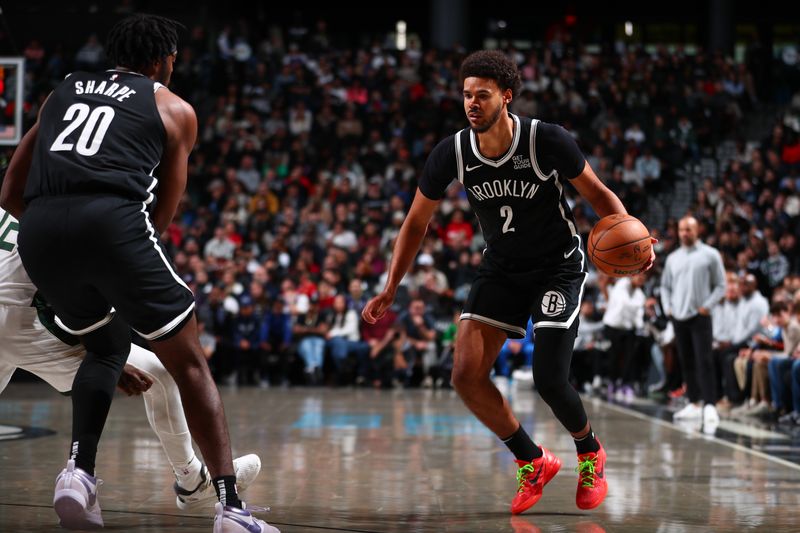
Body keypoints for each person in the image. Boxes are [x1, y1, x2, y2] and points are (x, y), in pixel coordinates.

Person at [0, 14, 276, 533]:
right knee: (189, 362)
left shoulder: (61, 92)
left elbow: (11, 189)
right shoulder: (175, 108)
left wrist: (52, 229)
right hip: (111, 226)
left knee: (107, 347)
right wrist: (113, 254)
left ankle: (79, 473)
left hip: (39, 233)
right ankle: (231, 510)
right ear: (161, 60)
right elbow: (162, 216)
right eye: (173, 60)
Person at [363, 50, 655, 514]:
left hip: (557, 266)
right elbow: (415, 223)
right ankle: (531, 459)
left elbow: (599, 195)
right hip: (502, 268)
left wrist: (634, 242)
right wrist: (391, 283)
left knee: (549, 379)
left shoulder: (546, 140)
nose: (471, 103)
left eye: (482, 95)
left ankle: (588, 451)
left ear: (507, 97)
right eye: (466, 95)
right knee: (464, 374)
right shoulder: (453, 153)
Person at [0, 208, 260, 513]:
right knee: (161, 375)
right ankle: (190, 479)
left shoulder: (16, 200)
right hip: (25, 325)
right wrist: (108, 357)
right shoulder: (67, 212)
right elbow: (66, 300)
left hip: (18, 319)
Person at [660, 216, 725, 428]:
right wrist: (668, 306)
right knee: (686, 360)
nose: (684, 233)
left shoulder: (710, 255)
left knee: (704, 360)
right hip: (678, 316)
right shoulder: (673, 258)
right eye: (681, 230)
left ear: (698, 230)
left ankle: (709, 404)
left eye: (688, 229)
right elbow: (665, 287)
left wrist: (707, 306)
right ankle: (694, 402)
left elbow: (721, 285)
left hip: (700, 316)